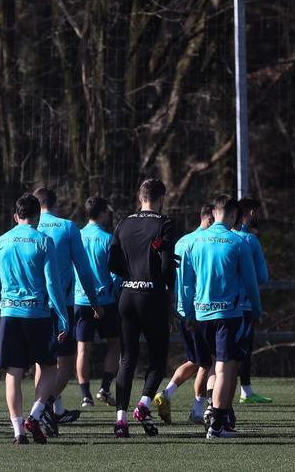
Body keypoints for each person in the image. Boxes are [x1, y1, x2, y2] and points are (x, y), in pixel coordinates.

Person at [179, 195, 262, 439]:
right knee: (226, 368)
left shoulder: (192, 242)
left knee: (214, 366)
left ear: (214, 213)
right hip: (229, 314)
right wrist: (256, 310)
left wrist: (187, 313)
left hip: (201, 315)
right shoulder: (238, 243)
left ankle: (220, 418)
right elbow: (251, 282)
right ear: (235, 216)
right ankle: (216, 423)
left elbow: (185, 284)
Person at [0, 194, 70, 445]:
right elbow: (52, 283)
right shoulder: (44, 241)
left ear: (15, 216)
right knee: (48, 367)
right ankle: (34, 416)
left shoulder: (1, 241)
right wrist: (62, 314)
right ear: (37, 217)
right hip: (37, 314)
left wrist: (1, 305)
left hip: (10, 313)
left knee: (13, 372)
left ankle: (18, 431)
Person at [108, 178, 177, 438]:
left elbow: (112, 262)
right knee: (158, 358)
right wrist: (167, 286)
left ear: (140, 198)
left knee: (127, 359)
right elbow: (166, 265)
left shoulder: (123, 223)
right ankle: (144, 404)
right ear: (161, 199)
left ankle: (120, 421)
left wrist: (131, 273)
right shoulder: (164, 223)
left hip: (127, 295)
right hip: (152, 296)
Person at [33, 186, 101, 430]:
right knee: (65, 364)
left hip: (33, 306)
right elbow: (83, 269)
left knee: (42, 364)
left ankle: (52, 412)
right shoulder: (67, 227)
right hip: (62, 304)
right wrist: (94, 302)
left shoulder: (29, 228)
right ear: (56, 203)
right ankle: (41, 409)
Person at [156, 204, 213, 425]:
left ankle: (167, 393)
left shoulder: (182, 241)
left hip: (180, 307)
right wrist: (191, 313)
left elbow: (173, 278)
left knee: (194, 359)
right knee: (208, 362)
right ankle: (199, 410)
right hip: (197, 310)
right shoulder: (204, 243)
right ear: (209, 219)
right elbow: (190, 283)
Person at [74, 196, 121, 409]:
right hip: (106, 300)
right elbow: (116, 273)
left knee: (83, 349)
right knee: (114, 344)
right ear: (102, 213)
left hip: (80, 299)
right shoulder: (108, 239)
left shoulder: (76, 236)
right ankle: (105, 387)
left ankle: (86, 396)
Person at [233, 197, 272, 404]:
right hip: (244, 304)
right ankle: (244, 391)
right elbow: (262, 277)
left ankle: (203, 399)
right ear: (248, 213)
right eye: (254, 211)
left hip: (217, 305)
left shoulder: (224, 237)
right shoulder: (249, 241)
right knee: (243, 349)